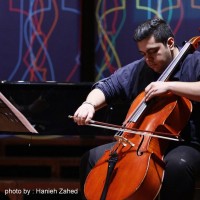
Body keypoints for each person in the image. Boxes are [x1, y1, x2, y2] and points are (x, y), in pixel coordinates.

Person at [73, 18, 200, 200]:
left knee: (177, 165)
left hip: (188, 143)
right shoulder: (140, 69)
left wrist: (170, 87)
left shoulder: (195, 63)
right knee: (92, 158)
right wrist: (89, 104)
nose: (148, 59)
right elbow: (107, 87)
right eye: (143, 54)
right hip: (141, 143)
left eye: (153, 52)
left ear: (170, 43)